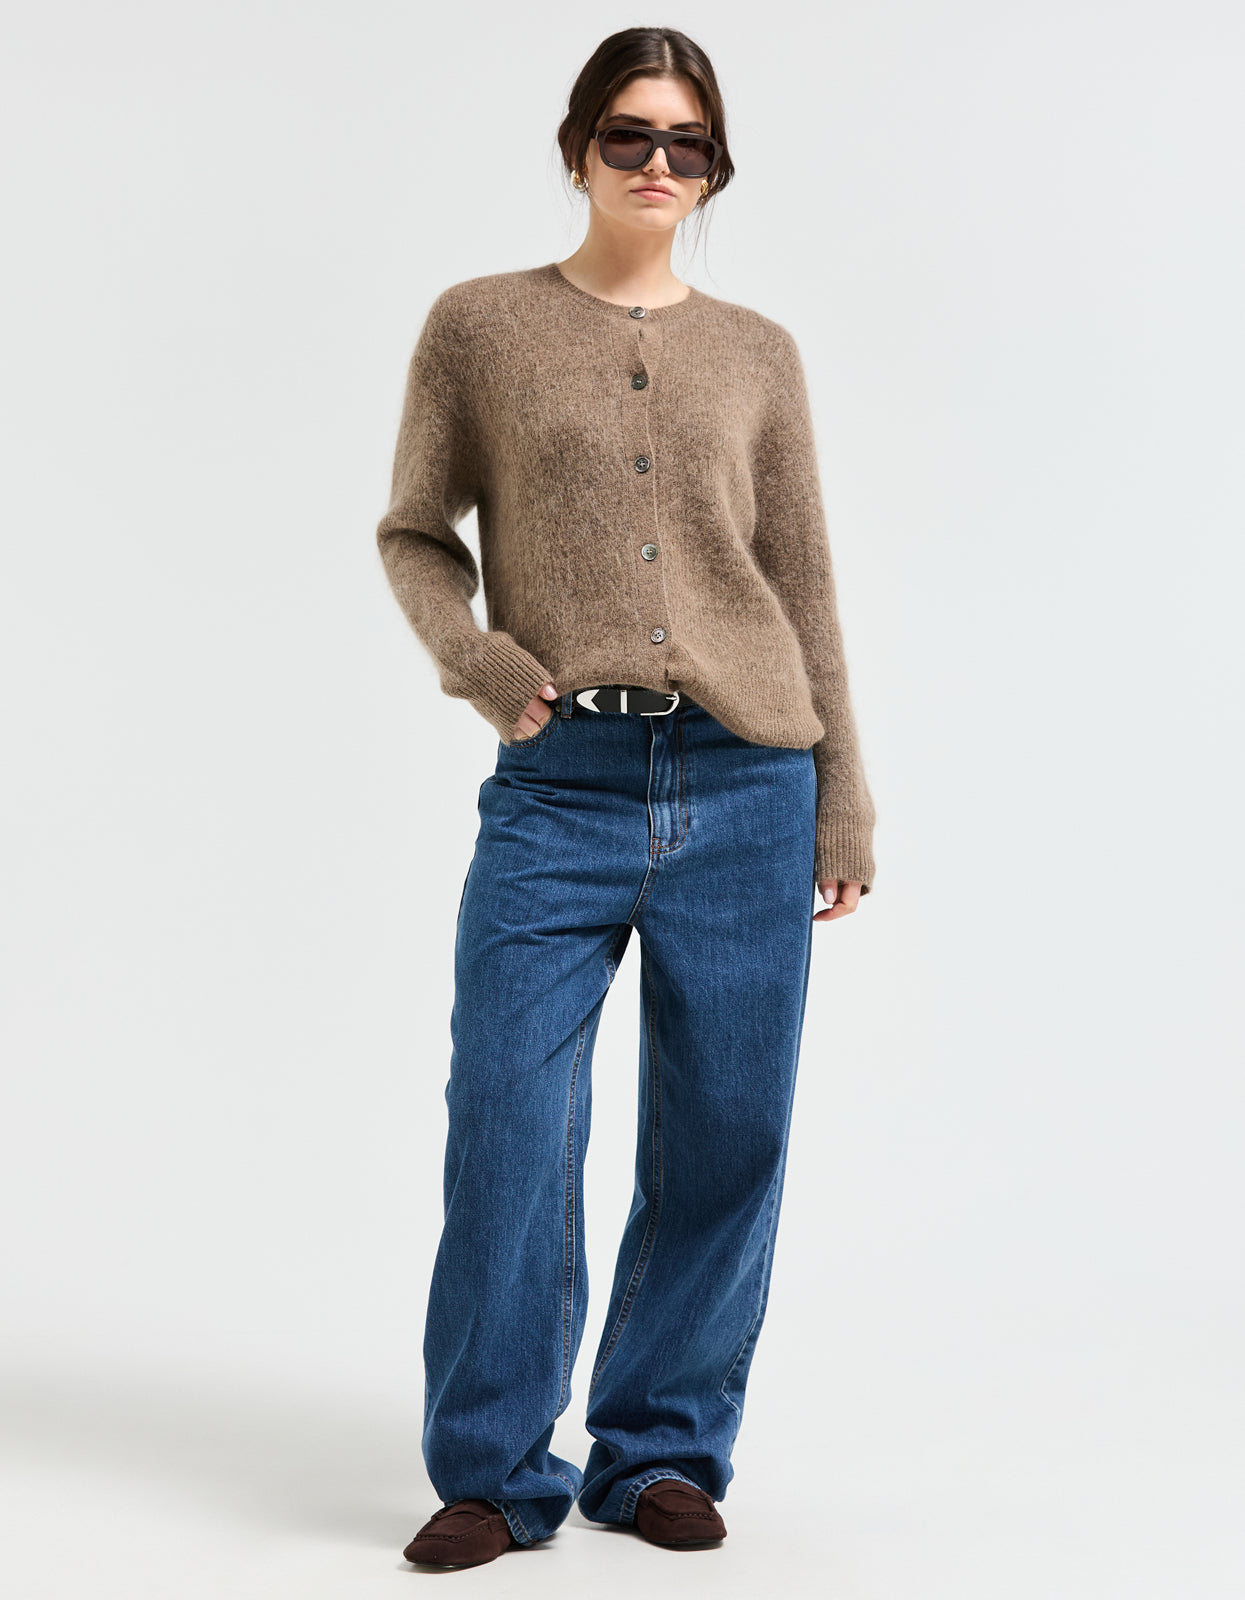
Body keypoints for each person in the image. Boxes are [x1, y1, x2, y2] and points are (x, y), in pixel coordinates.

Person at [375, 26, 877, 1570]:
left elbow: (800, 581)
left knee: (726, 1135)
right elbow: (414, 534)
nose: (658, 164)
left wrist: (843, 802)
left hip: (749, 780)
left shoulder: (757, 354)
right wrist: (478, 662)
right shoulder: (480, 327)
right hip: (559, 787)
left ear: (713, 168)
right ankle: (491, 1469)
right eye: (629, 135)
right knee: (508, 1123)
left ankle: (656, 1448)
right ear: (577, 145)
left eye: (687, 144)